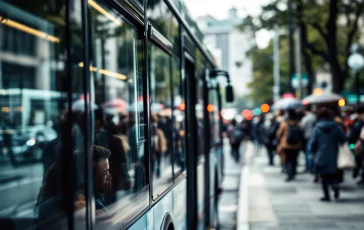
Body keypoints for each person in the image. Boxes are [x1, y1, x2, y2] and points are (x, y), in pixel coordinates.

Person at [308, 107, 346, 201]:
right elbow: (344, 138)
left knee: (324, 177)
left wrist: (312, 151)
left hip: (321, 155)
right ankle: (335, 185)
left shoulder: (317, 127)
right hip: (334, 154)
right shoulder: (336, 127)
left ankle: (327, 196)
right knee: (334, 174)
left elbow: (313, 142)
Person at [276, 109, 303, 181]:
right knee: (294, 159)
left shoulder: (284, 123)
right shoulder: (298, 123)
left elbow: (278, 134)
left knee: (288, 160)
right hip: (297, 144)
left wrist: (280, 139)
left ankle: (289, 174)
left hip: (286, 145)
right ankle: (293, 172)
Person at [300, 107, 316, 173]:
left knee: (308, 153)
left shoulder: (305, 118)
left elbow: (302, 127)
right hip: (314, 136)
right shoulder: (315, 117)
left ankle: (309, 168)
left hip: (307, 137)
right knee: (313, 153)